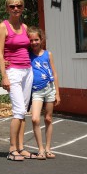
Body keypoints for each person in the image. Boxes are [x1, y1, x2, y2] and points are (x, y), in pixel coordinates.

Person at [0, 0, 36, 161]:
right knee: (18, 111)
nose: (15, 9)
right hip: (13, 72)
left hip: (27, 70)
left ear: (22, 8)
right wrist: (4, 75)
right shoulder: (3, 27)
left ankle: (21, 148)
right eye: (12, 6)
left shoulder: (25, 26)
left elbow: (32, 47)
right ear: (7, 8)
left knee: (24, 112)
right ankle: (12, 149)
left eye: (18, 6)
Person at [28, 26, 60, 159]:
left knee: (48, 118)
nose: (34, 42)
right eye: (31, 40)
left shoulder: (48, 54)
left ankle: (47, 148)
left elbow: (54, 73)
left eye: (37, 39)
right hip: (37, 91)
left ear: (41, 40)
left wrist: (57, 93)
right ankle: (40, 149)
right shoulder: (27, 55)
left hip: (50, 88)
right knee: (35, 119)